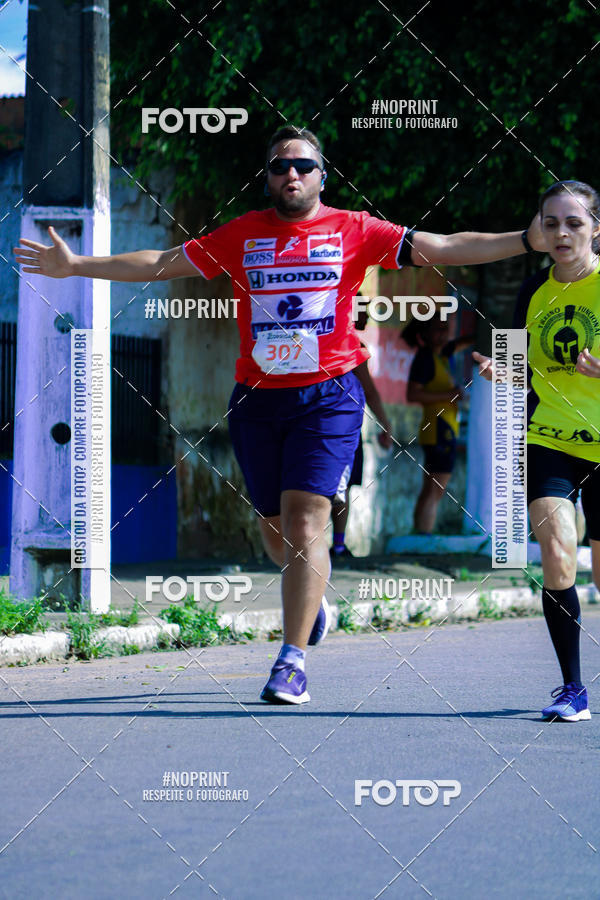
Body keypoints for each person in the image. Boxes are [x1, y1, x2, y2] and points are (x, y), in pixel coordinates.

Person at [15, 124, 545, 705]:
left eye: (302, 166)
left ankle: (291, 661)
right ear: (268, 177)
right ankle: (311, 604)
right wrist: (77, 265)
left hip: (330, 395)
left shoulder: (355, 229)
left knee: (304, 522)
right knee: (272, 534)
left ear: (322, 175)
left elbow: (444, 246)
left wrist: (526, 237)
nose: (290, 175)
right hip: (257, 400)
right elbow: (163, 262)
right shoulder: (244, 234)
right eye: (278, 167)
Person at [473, 180, 600, 722]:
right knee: (556, 553)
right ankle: (572, 687)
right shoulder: (532, 291)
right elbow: (527, 368)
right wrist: (505, 373)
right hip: (548, 439)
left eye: (574, 222)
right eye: (551, 223)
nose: (562, 232)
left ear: (596, 228)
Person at [330, 306, 393, 560]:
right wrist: (386, 424)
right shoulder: (352, 344)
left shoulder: (326, 341)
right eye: (362, 309)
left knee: (330, 488)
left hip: (330, 427)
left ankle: (330, 545)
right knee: (339, 489)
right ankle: (337, 545)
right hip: (343, 430)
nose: (367, 315)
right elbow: (369, 391)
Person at [404, 313, 474, 534]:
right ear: (424, 334)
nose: (443, 334)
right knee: (436, 489)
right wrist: (450, 394)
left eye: (446, 329)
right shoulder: (425, 359)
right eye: (437, 329)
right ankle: (424, 536)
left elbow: (463, 342)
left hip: (445, 427)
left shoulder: (443, 354)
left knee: (431, 487)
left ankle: (420, 534)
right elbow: (412, 394)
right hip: (437, 428)